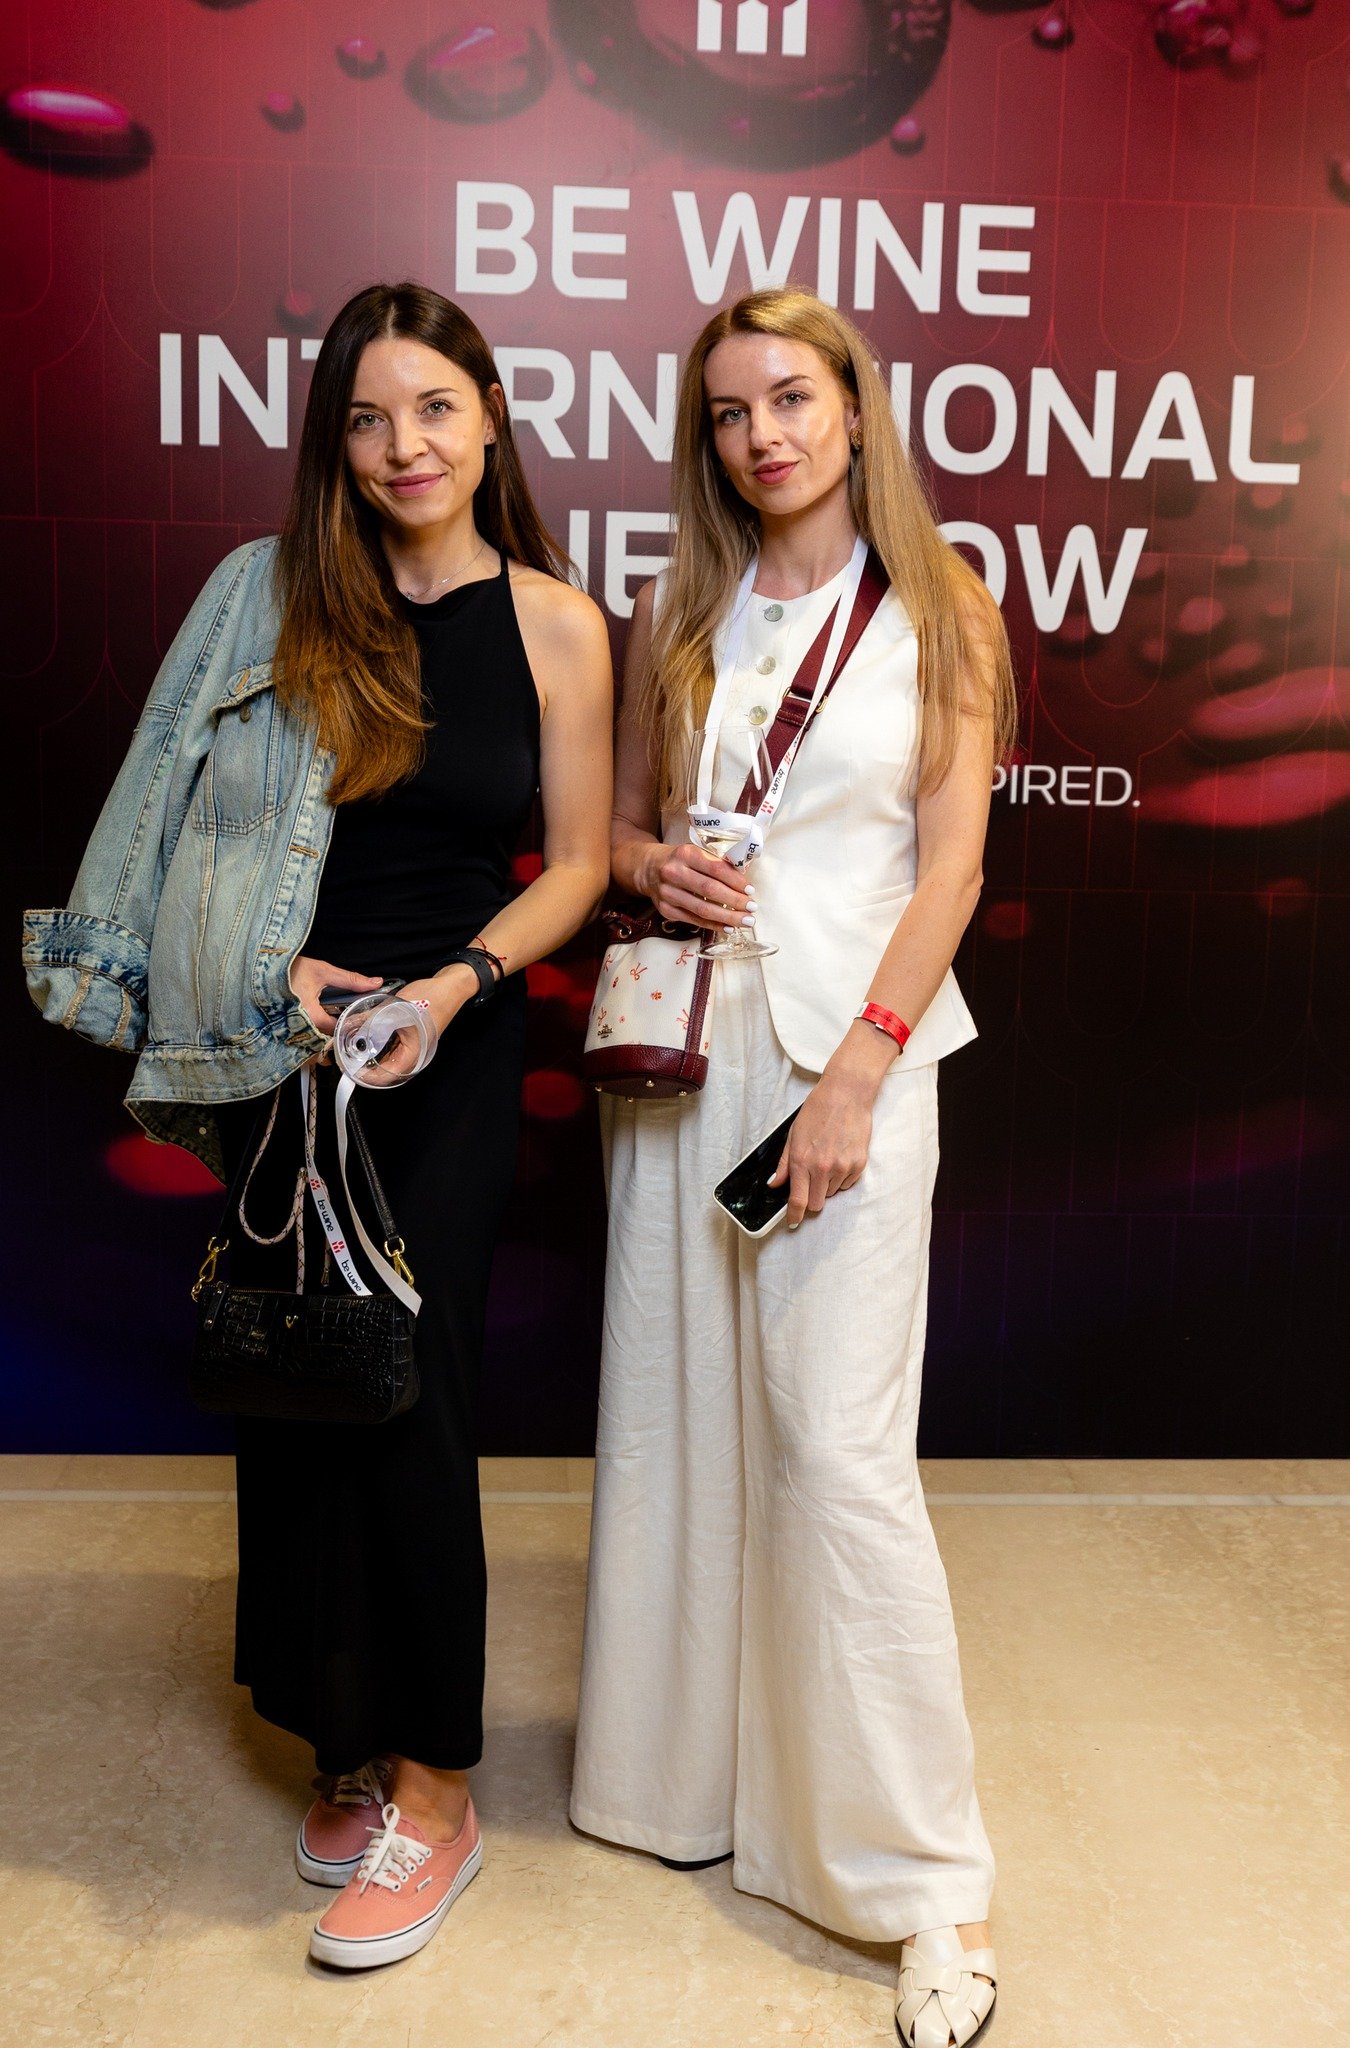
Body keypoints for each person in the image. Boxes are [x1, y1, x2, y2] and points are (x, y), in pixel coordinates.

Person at [24, 282, 612, 1971]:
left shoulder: (560, 623)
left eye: (432, 408)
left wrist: (451, 988)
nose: (403, 446)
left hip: (448, 1045)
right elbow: (170, 815)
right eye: (366, 418)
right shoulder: (263, 599)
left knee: (412, 1393)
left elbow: (579, 862)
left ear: (488, 418)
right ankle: (340, 1739)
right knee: (292, 1382)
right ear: (334, 446)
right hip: (275, 1038)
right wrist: (269, 968)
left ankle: (438, 1790)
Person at [570, 285, 1016, 2048]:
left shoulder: (944, 603)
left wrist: (859, 1073)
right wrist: (649, 866)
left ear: (852, 407)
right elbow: (615, 831)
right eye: (728, 410)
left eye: (789, 398)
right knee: (676, 1423)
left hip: (851, 1056)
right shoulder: (675, 603)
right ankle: (687, 1795)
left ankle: (925, 1890)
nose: (760, 434)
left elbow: (951, 868)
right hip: (687, 1049)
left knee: (834, 1456)